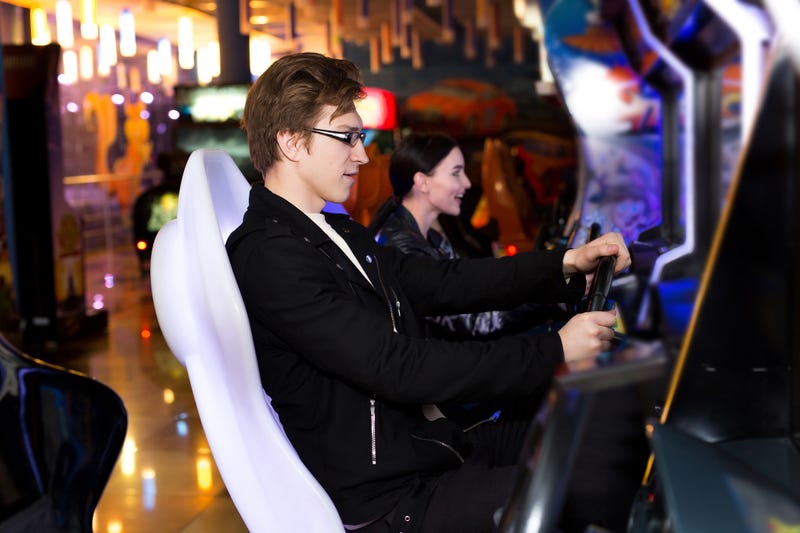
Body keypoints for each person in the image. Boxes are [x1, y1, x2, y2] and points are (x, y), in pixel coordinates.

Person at [227, 52, 631, 533]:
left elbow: (445, 282)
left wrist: (563, 264)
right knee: (591, 478)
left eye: (363, 137)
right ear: (291, 143)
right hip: (391, 501)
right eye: (348, 138)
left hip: (429, 451)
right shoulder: (270, 256)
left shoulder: (336, 232)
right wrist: (555, 347)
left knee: (602, 431)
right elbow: (399, 367)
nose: (362, 155)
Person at [369, 132, 570, 343]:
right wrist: (550, 298)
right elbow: (472, 323)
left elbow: (470, 293)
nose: (467, 183)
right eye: (456, 173)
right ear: (422, 182)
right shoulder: (401, 247)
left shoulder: (429, 236)